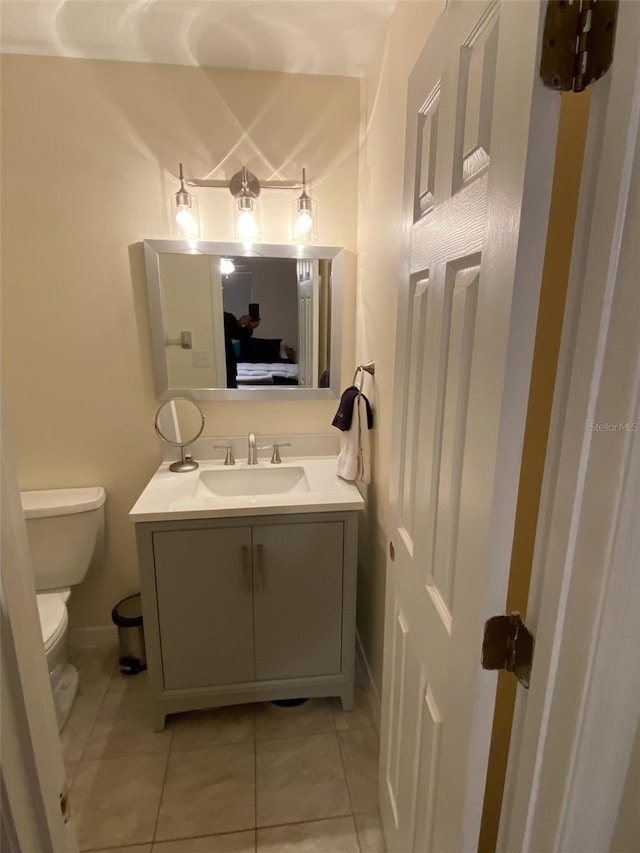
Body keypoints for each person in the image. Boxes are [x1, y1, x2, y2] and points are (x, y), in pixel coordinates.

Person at [223, 312, 260, 388]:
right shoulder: (215, 316)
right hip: (223, 359)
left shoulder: (228, 317)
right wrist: (238, 323)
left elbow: (238, 334)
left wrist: (249, 327)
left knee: (231, 387)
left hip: (230, 362)